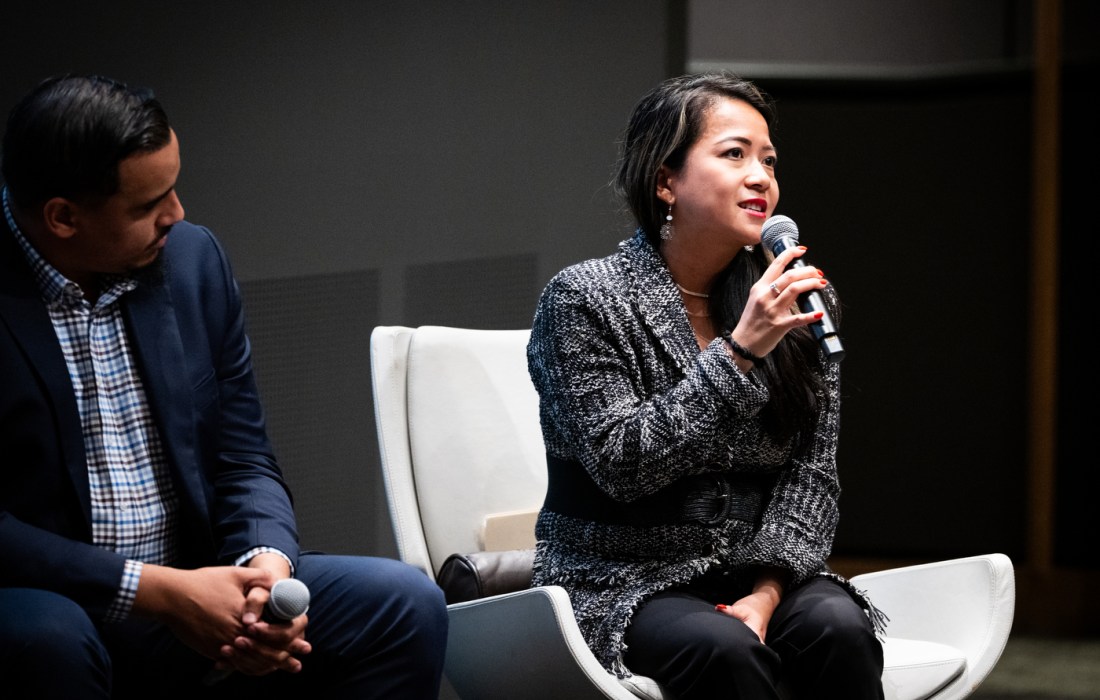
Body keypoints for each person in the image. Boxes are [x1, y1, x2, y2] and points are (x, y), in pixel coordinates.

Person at [0, 75, 448, 699]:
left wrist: (263, 566)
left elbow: (243, 456)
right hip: (50, 601)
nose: (176, 214)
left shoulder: (190, 261)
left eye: (174, 187)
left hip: (194, 582)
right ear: (63, 217)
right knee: (47, 639)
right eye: (146, 205)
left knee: (402, 603)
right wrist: (159, 592)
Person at [526, 71, 887, 699]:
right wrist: (741, 350)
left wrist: (766, 596)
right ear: (666, 180)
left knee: (838, 628)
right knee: (722, 650)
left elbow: (813, 476)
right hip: (622, 576)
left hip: (759, 571)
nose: (761, 178)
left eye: (769, 161)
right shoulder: (586, 300)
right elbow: (622, 463)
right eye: (734, 154)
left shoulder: (798, 299)